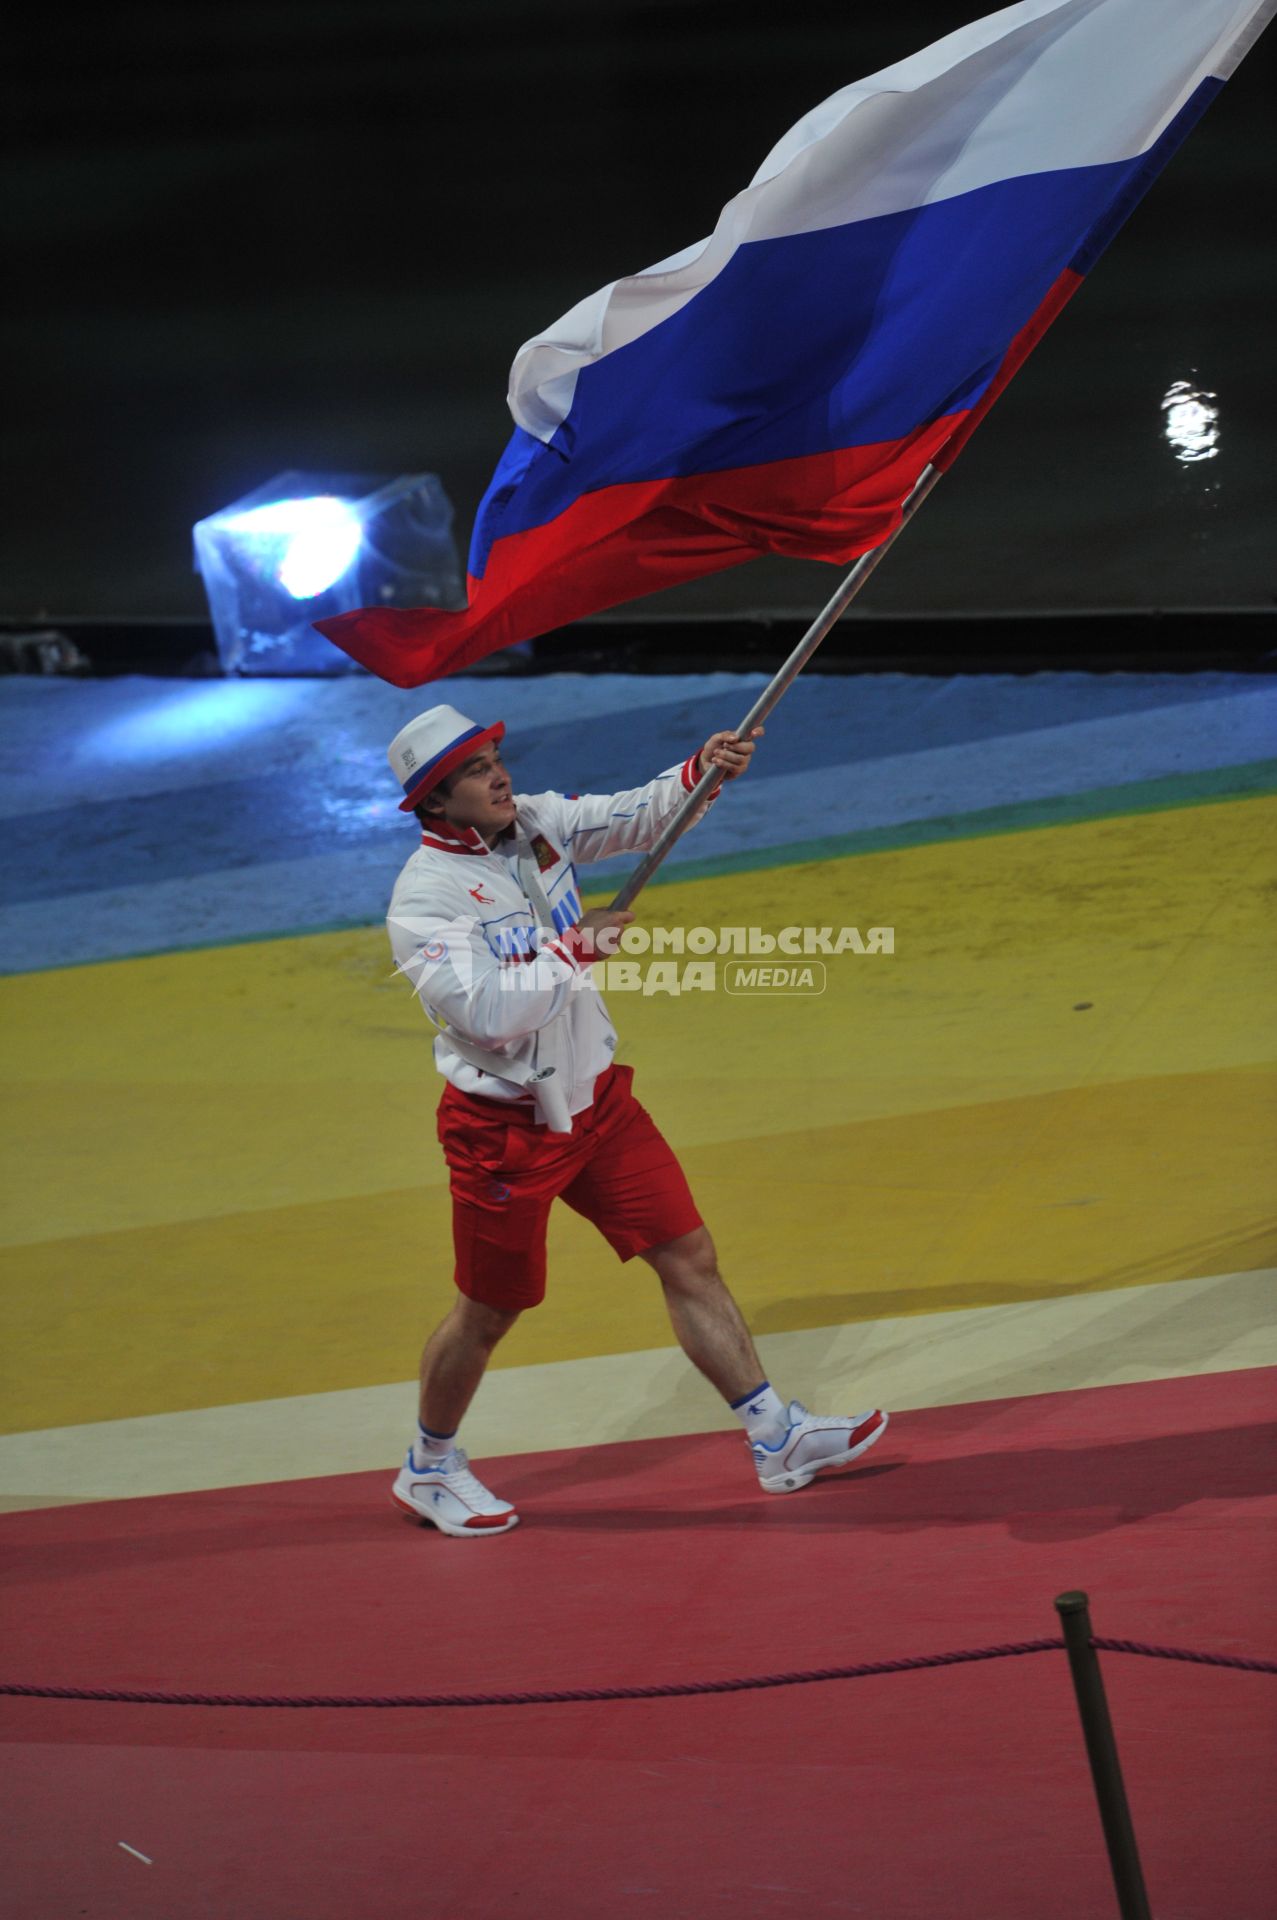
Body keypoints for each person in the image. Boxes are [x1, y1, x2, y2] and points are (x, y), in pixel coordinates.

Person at [383, 702, 887, 1536]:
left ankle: (776, 1438)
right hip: (504, 1131)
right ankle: (428, 1468)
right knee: (490, 1310)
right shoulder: (425, 900)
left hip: (596, 1101)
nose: (498, 774)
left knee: (687, 1253)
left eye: (495, 755)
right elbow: (486, 1011)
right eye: (474, 769)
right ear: (436, 799)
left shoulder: (535, 824)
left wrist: (699, 772)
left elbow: (629, 816)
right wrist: (575, 950)